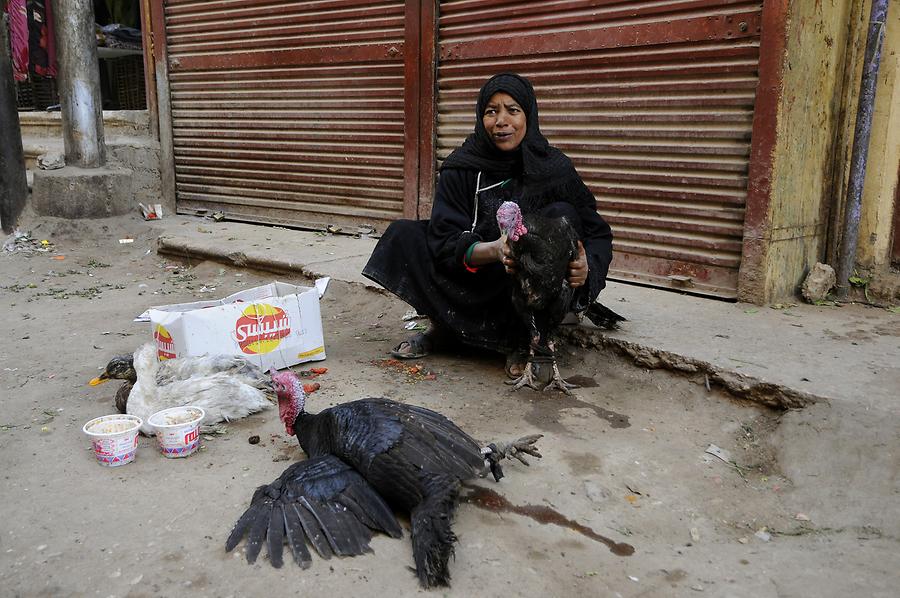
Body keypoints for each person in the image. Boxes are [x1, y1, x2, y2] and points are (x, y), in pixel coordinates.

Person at [362, 73, 613, 377]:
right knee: (404, 235)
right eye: (491, 111)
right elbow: (445, 236)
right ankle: (445, 326)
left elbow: (597, 232)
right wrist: (493, 250)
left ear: (529, 115)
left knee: (561, 217)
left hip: (523, 287)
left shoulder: (554, 169)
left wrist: (587, 268)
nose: (501, 121)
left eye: (512, 110)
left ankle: (526, 339)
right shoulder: (462, 166)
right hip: (479, 270)